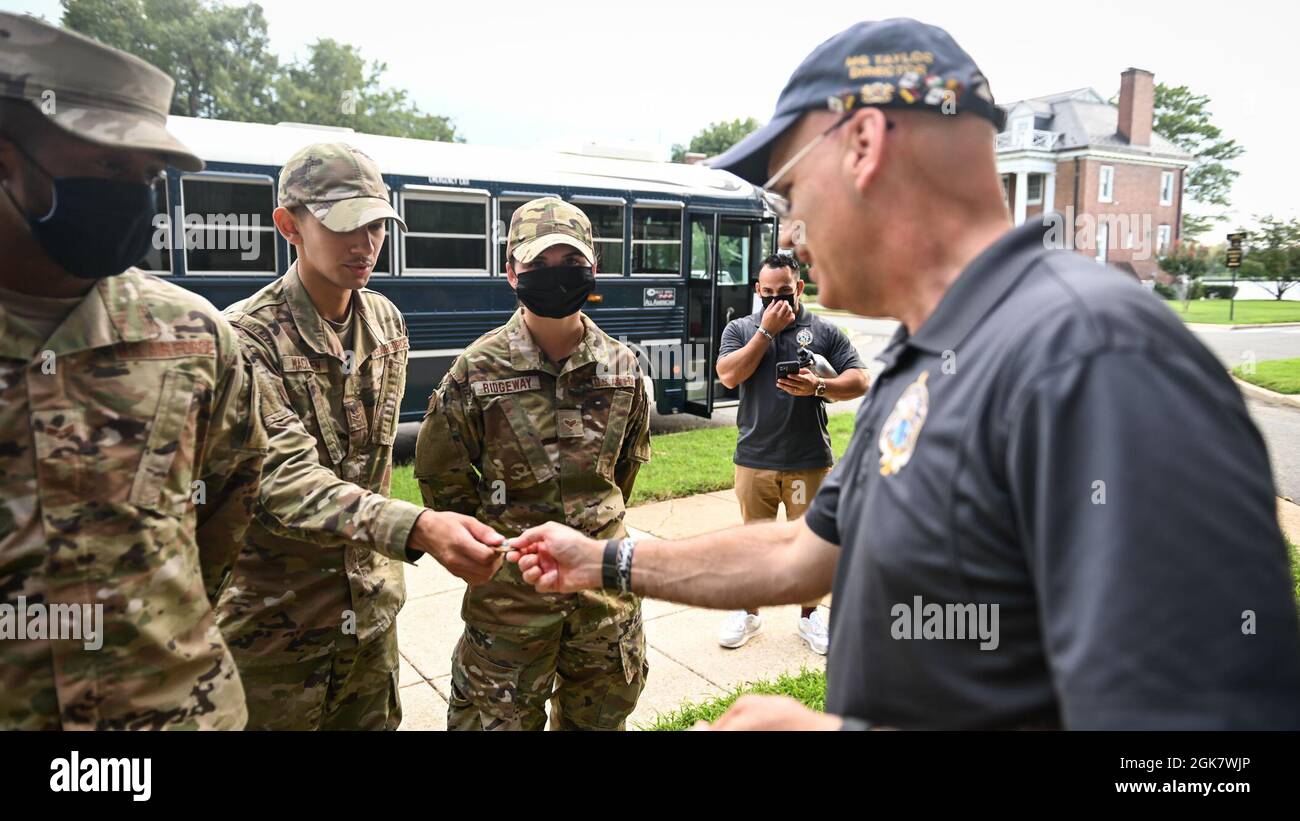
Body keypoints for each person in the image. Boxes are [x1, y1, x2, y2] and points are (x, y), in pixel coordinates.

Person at [506, 18, 1300, 730]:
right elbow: (804, 556)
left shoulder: (1091, 358)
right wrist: (605, 560)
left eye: (786, 190)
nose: (787, 230)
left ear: (863, 144)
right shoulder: (924, 361)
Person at [0, 13, 267, 729]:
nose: (134, 193)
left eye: (147, 173)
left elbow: (228, 500)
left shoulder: (194, 336)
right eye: (108, 165)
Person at [216, 143, 503, 730]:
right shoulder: (245, 340)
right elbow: (283, 478)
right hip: (277, 634)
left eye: (375, 224)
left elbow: (370, 463)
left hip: (369, 619)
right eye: (344, 224)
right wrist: (419, 526)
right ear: (289, 225)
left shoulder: (385, 322)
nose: (365, 243)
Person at [415, 197, 652, 730]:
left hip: (603, 600)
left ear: (593, 271)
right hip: (509, 606)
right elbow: (441, 480)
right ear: (510, 272)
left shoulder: (622, 367)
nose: (556, 277)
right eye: (539, 265)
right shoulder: (476, 371)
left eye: (570, 265)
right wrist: (497, 547)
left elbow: (624, 472)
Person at [715, 252, 867, 653]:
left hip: (807, 461)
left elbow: (860, 379)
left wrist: (820, 386)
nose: (776, 299)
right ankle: (748, 612)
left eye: (784, 291)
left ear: (799, 287)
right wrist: (764, 333)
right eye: (767, 293)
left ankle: (810, 617)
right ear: (757, 291)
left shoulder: (823, 330)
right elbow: (729, 375)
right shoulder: (741, 327)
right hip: (755, 459)